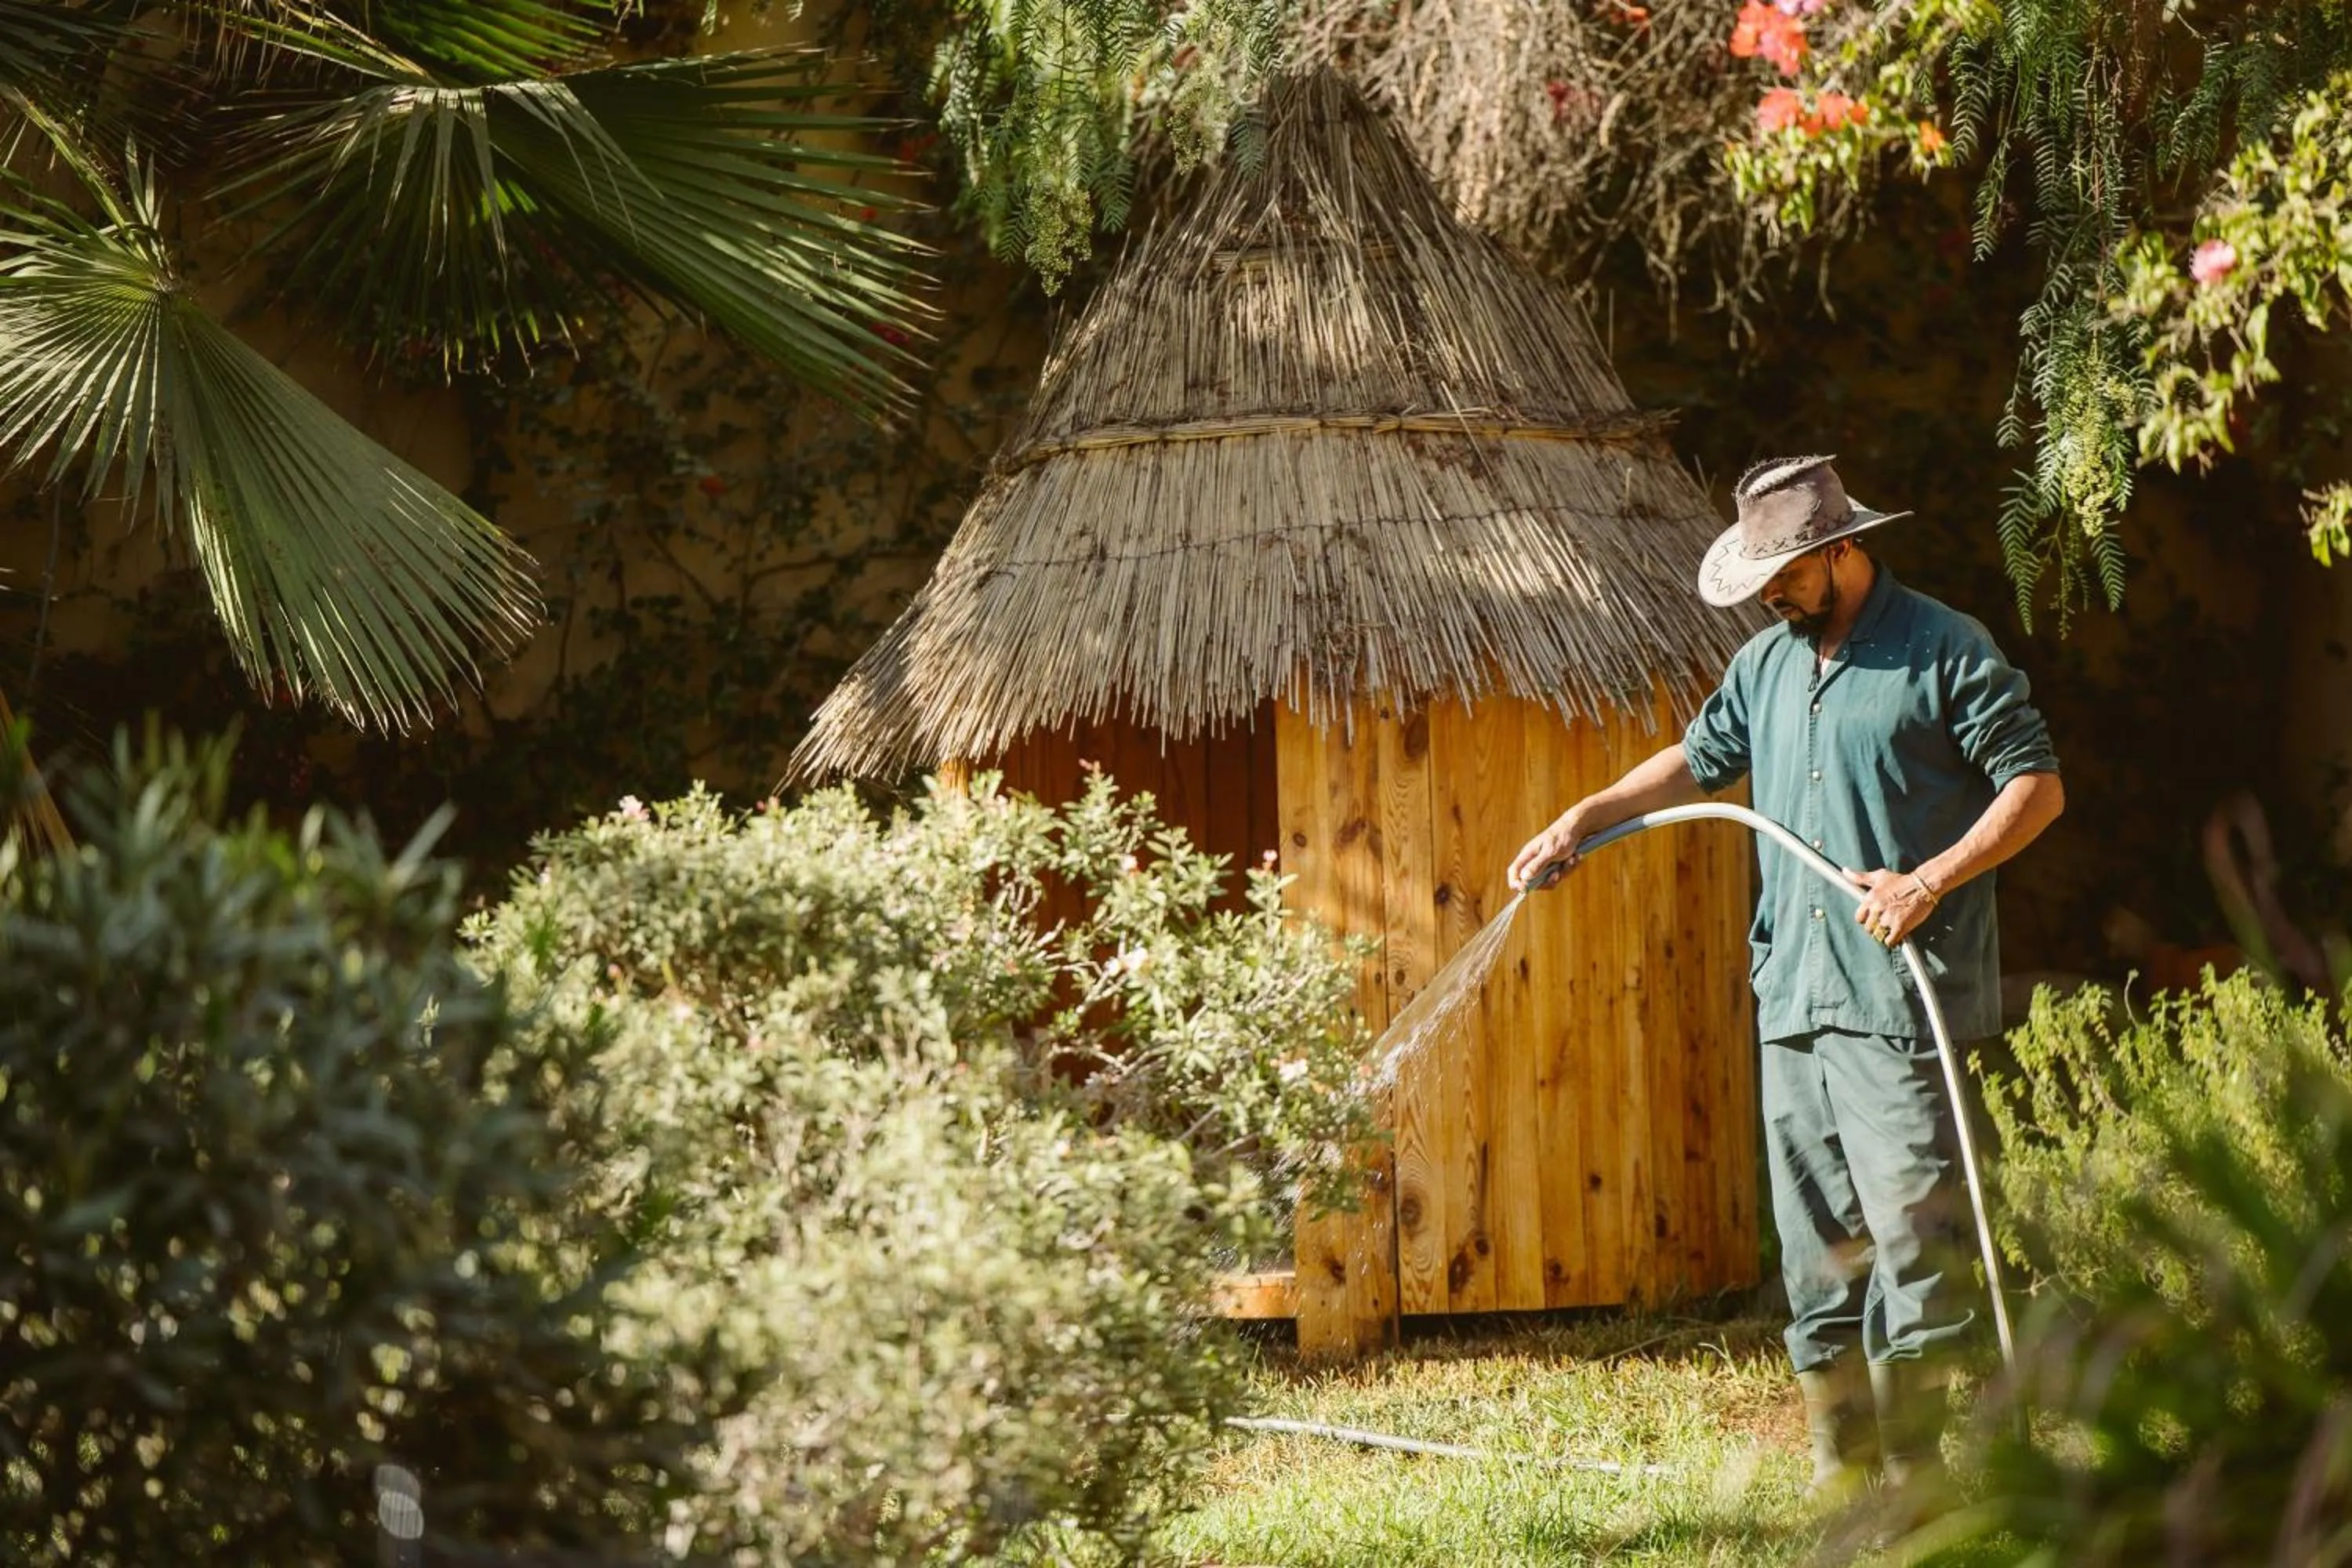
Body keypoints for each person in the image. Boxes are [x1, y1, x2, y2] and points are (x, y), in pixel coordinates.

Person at [1507, 456, 2064, 1500]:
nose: (1770, 595)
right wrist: (1587, 818)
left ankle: (1916, 1482)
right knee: (1817, 1258)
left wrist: (1929, 880)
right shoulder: (1766, 665)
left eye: (1786, 574)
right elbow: (1696, 760)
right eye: (1760, 579)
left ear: (1843, 548)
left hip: (1904, 1003)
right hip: (1797, 996)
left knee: (1914, 1249)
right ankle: (1840, 1475)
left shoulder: (1944, 650)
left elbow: (2036, 789)